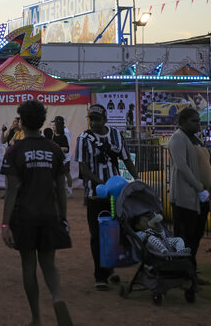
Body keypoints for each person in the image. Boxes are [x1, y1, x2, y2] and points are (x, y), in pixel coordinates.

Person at [0, 99, 73, 326]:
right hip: (49, 214)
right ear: (42, 121)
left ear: (21, 122)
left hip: (24, 216)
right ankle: (58, 297)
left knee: (28, 265)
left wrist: (5, 224)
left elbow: (12, 190)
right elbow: (60, 189)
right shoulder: (53, 150)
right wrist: (63, 217)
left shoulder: (14, 151)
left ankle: (36, 318)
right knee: (49, 264)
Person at [75, 103, 137, 290]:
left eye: (97, 119)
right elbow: (83, 169)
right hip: (96, 195)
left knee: (116, 232)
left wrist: (137, 179)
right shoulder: (84, 139)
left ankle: (108, 267)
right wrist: (101, 184)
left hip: (116, 194)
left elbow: (126, 159)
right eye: (91, 119)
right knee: (97, 234)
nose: (94, 123)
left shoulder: (116, 136)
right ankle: (99, 274)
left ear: (105, 120)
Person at [168, 107, 211, 279]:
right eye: (194, 121)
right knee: (185, 237)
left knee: (196, 236)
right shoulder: (178, 139)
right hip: (185, 197)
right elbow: (182, 167)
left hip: (200, 195)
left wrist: (210, 187)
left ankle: (188, 270)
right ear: (183, 122)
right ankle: (184, 271)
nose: (198, 124)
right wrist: (199, 187)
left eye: (198, 121)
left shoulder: (195, 139)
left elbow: (205, 165)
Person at [48, 115, 73, 196]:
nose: (53, 125)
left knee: (66, 173)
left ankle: (70, 191)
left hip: (65, 157)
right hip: (57, 157)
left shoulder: (66, 133)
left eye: (54, 123)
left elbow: (67, 147)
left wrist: (65, 156)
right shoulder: (55, 133)